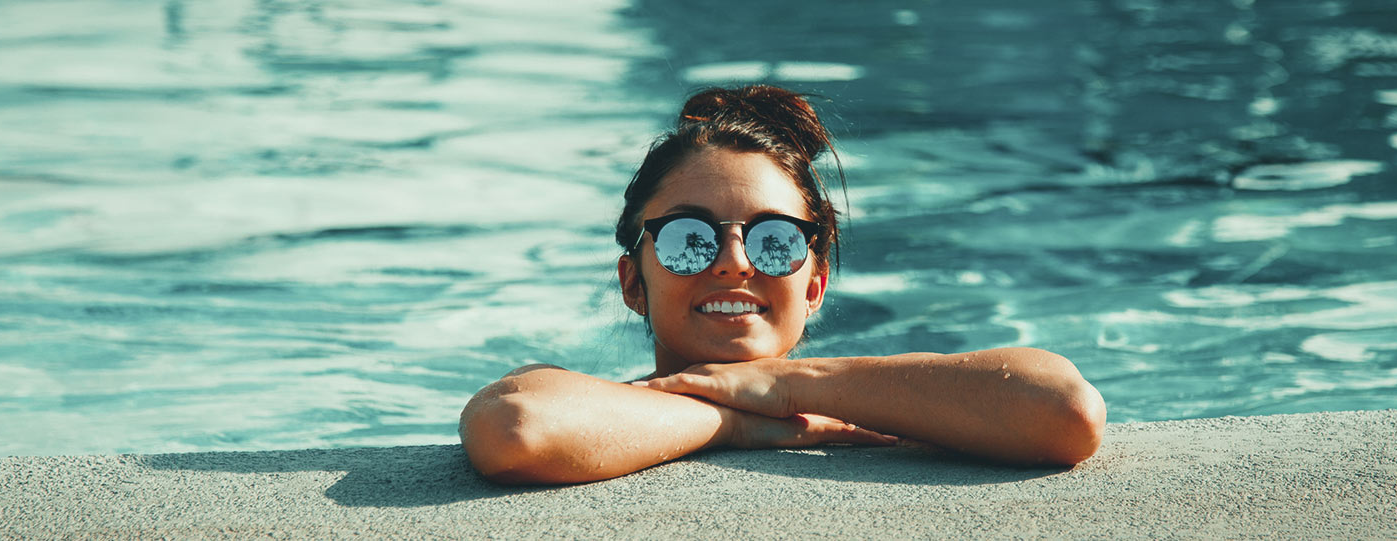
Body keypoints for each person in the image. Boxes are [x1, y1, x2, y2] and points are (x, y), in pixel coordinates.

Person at [458, 85, 1106, 485]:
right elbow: (516, 426)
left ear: (815, 282)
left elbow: (1063, 411)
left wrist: (789, 385)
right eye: (690, 237)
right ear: (633, 280)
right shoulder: (587, 404)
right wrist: (733, 422)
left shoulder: (901, 402)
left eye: (774, 239)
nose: (734, 262)